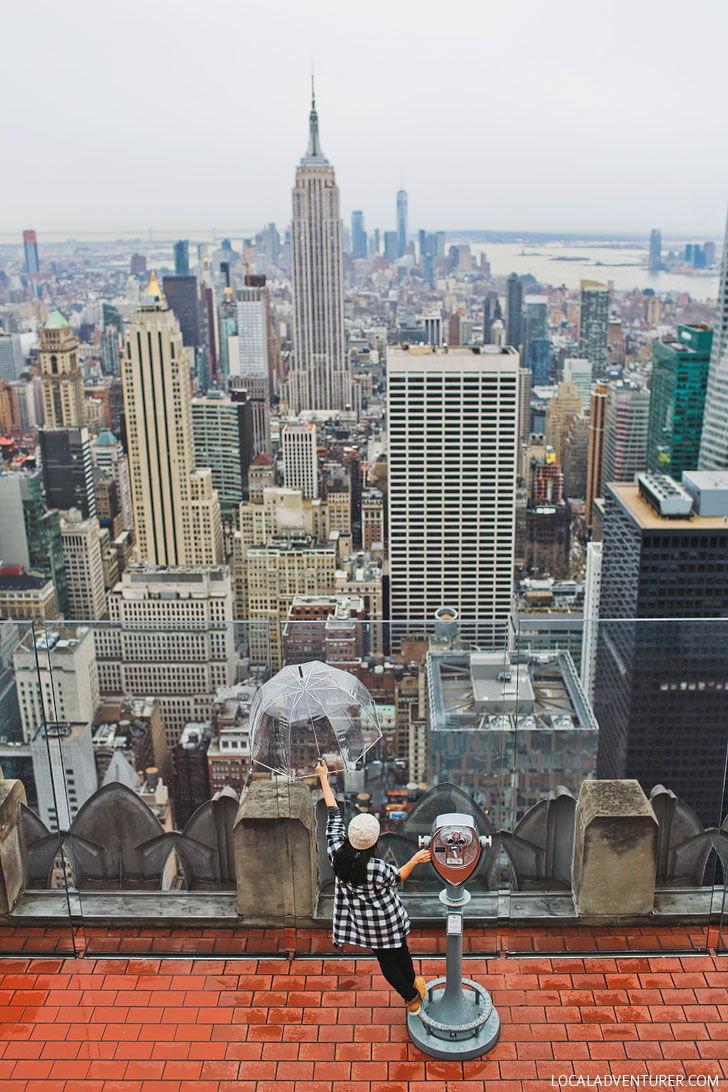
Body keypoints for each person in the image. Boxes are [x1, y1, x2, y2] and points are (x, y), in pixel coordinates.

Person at [315, 757, 432, 1014]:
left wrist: (323, 777)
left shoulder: (337, 851)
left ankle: (411, 991)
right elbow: (398, 877)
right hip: (388, 918)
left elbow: (332, 811)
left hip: (366, 923)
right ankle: (411, 993)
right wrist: (415, 858)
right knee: (400, 950)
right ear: (373, 840)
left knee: (385, 958)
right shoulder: (376, 868)